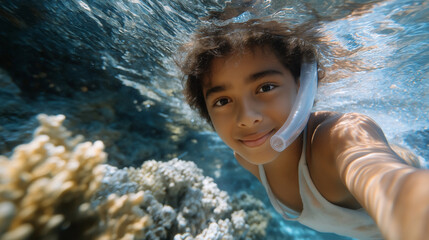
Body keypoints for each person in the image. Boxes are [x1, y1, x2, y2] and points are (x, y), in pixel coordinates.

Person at [178, 19, 428, 240]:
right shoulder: (248, 158)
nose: (246, 118)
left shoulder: (338, 138)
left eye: (265, 87)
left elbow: (397, 187)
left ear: (303, 87)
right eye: (222, 101)